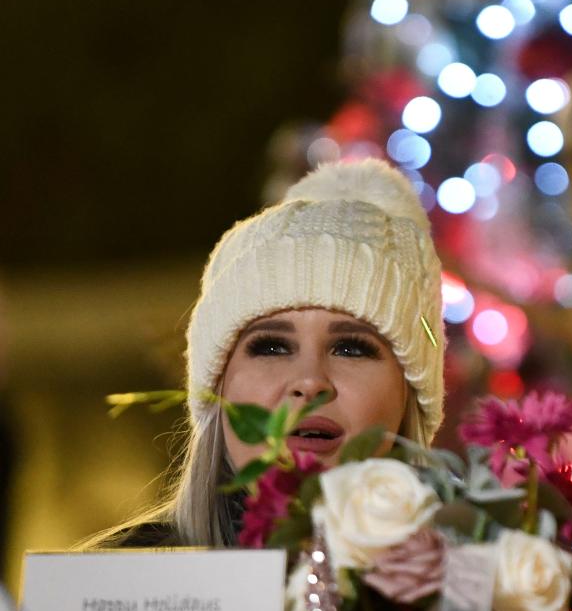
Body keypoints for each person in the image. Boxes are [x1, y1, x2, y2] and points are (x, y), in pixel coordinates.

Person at [88, 157, 445, 548]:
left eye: (350, 348)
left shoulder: (488, 589)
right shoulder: (108, 593)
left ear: (410, 392)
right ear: (217, 388)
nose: (310, 381)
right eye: (272, 346)